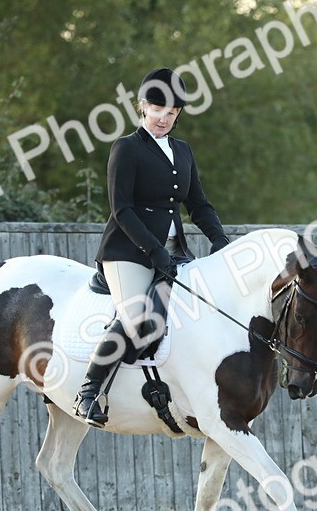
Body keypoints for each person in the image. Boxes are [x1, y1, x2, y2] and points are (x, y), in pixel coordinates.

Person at [73, 67, 231, 427]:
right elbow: (121, 209)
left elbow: (199, 203)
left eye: (172, 113)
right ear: (142, 107)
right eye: (157, 110)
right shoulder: (126, 148)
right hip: (128, 251)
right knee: (136, 318)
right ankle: (88, 392)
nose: (164, 119)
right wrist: (154, 251)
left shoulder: (183, 151)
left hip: (175, 252)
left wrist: (219, 238)